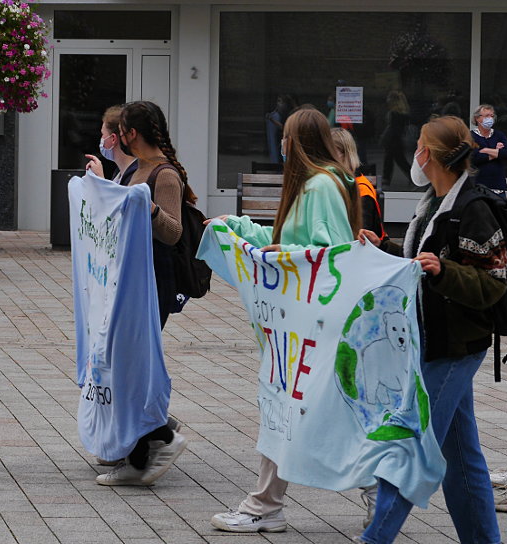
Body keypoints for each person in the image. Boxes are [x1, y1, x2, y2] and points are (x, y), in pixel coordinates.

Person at [209, 107, 361, 533]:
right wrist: (236, 228)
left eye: (286, 137)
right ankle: (378, 493)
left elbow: (329, 255)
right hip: (304, 326)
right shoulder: (315, 186)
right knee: (301, 409)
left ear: (296, 143)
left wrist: (279, 255)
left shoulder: (319, 188)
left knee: (287, 407)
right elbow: (289, 243)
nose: (281, 144)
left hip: (309, 326)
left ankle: (265, 505)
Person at [355, 115, 506, 544]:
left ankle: (376, 537)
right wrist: (382, 247)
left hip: (456, 345)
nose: (413, 151)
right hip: (432, 340)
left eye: (419, 144)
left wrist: (444, 271)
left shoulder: (472, 208)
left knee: (410, 446)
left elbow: (494, 281)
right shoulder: (431, 205)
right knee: (461, 456)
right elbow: (419, 266)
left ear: (433, 155)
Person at [94, 101, 189, 486]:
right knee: (123, 368)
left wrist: (148, 209)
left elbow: (173, 232)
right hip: (129, 281)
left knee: (128, 369)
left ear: (131, 134)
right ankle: (146, 439)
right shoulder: (135, 168)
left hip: (152, 283)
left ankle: (159, 438)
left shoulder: (163, 175)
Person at [332, 127, 386, 239]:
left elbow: (362, 237)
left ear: (345, 153)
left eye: (331, 151)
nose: (326, 156)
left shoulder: (362, 190)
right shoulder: (338, 181)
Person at [84, 105, 137, 185]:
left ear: (113, 138)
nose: (101, 138)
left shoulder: (135, 176)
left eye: (103, 134)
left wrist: (100, 180)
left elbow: (118, 197)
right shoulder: (119, 172)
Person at [470, 103, 507, 197]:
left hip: (498, 187)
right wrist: (496, 152)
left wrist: (485, 150)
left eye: (492, 116)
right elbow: (474, 158)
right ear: (477, 118)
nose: (490, 118)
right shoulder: (471, 136)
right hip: (479, 187)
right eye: (487, 116)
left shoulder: (499, 135)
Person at [381, 90, 412, 187]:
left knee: (394, 160)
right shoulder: (404, 114)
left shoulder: (394, 114)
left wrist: (385, 138)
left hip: (392, 140)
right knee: (397, 160)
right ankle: (387, 178)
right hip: (397, 139)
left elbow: (392, 129)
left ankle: (387, 178)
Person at [266, 94, 297, 164]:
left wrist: (272, 120)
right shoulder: (280, 114)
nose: (278, 103)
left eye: (280, 101)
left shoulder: (289, 113)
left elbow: (283, 127)